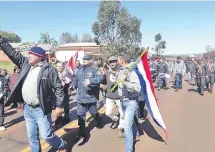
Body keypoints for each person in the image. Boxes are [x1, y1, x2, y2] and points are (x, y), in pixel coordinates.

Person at [0, 36, 67, 152]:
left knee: (46, 135)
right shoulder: (25, 64)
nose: (28, 55)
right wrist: (1, 41)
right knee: (32, 137)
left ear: (39, 57)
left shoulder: (49, 70)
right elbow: (12, 53)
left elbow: (59, 88)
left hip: (41, 109)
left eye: (31, 54)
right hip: (27, 109)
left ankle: (61, 144)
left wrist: (59, 106)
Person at [70, 54, 104, 139]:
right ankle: (82, 131)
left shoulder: (94, 69)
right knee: (80, 115)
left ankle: (99, 121)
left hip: (90, 97)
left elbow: (101, 78)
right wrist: (73, 86)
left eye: (86, 59)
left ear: (90, 60)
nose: (84, 60)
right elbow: (76, 79)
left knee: (93, 113)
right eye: (83, 59)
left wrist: (91, 81)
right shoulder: (79, 70)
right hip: (80, 98)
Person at [117, 53, 141, 152]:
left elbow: (137, 88)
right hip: (123, 100)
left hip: (131, 102)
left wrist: (125, 83)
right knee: (130, 123)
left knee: (127, 128)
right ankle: (136, 134)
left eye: (118, 59)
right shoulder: (121, 71)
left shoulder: (132, 72)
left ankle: (129, 150)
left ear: (122, 60)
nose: (117, 61)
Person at [104, 56, 124, 137]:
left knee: (122, 113)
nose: (112, 63)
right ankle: (116, 119)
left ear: (116, 62)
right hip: (109, 96)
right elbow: (104, 80)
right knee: (108, 112)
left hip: (119, 96)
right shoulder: (107, 71)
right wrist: (103, 85)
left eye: (113, 62)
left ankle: (120, 128)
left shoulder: (121, 70)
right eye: (110, 62)